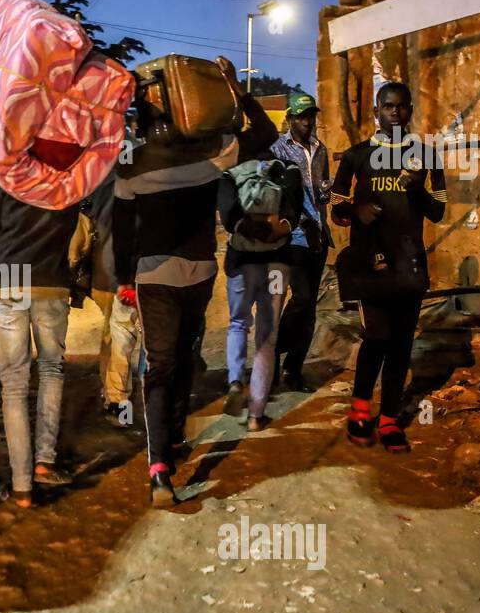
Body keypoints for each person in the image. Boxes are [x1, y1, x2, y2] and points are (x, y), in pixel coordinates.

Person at [113, 55, 278, 505]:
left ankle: (159, 467)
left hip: (155, 275)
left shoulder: (129, 165)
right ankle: (176, 442)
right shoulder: (212, 152)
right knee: (185, 357)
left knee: (159, 367)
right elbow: (267, 134)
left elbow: (122, 230)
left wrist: (123, 280)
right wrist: (235, 88)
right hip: (201, 270)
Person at [330, 81, 447, 452]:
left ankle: (390, 419)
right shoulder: (356, 156)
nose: (395, 112)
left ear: (410, 110)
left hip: (409, 265)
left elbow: (438, 211)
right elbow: (336, 207)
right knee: (376, 336)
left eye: (401, 106)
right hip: (369, 265)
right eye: (388, 106)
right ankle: (360, 410)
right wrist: (356, 210)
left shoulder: (427, 156)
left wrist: (416, 190)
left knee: (399, 344)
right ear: (376, 112)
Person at [0, 173, 79, 507]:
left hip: (8, 280)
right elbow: (73, 222)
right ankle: (44, 463)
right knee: (51, 370)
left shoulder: (0, 170)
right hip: (51, 280)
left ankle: (22, 488)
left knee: (14, 385)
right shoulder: (68, 173)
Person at [219, 157, 303, 430]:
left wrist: (252, 230)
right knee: (268, 336)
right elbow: (294, 213)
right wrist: (272, 232)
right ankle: (256, 415)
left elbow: (229, 218)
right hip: (277, 265)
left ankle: (235, 380)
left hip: (241, 264)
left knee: (238, 323)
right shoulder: (288, 170)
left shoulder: (231, 175)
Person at [269, 92, 332, 392]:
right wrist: (301, 221)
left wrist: (327, 198)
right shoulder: (277, 150)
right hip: (293, 236)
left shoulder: (321, 150)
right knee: (302, 298)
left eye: (311, 116)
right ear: (291, 118)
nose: (308, 122)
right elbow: (278, 196)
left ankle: (293, 370)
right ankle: (269, 352)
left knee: (309, 310)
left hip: (319, 236)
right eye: (302, 116)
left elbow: (322, 193)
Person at [68, 170, 141, 425]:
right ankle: (119, 399)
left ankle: (109, 392)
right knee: (124, 333)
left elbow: (84, 229)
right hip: (129, 274)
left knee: (112, 333)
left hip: (101, 273)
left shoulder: (96, 183)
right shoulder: (143, 179)